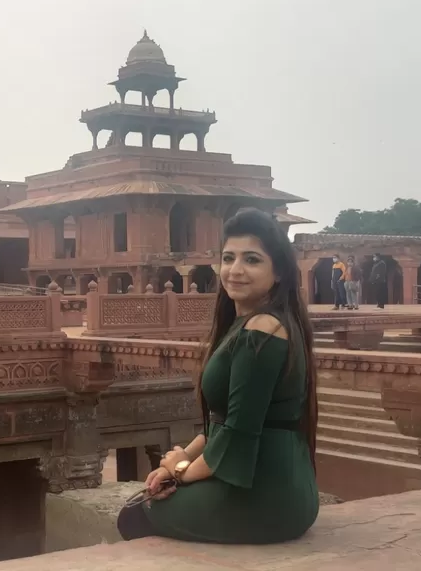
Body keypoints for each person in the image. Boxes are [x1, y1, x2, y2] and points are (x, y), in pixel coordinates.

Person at [116, 208, 319, 544]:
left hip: (264, 495)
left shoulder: (263, 330)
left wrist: (181, 471)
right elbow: (222, 425)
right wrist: (176, 465)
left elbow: (238, 431)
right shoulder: (251, 324)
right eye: (228, 258)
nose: (235, 270)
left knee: (135, 515)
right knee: (146, 502)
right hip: (271, 485)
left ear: (279, 271)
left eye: (252, 260)